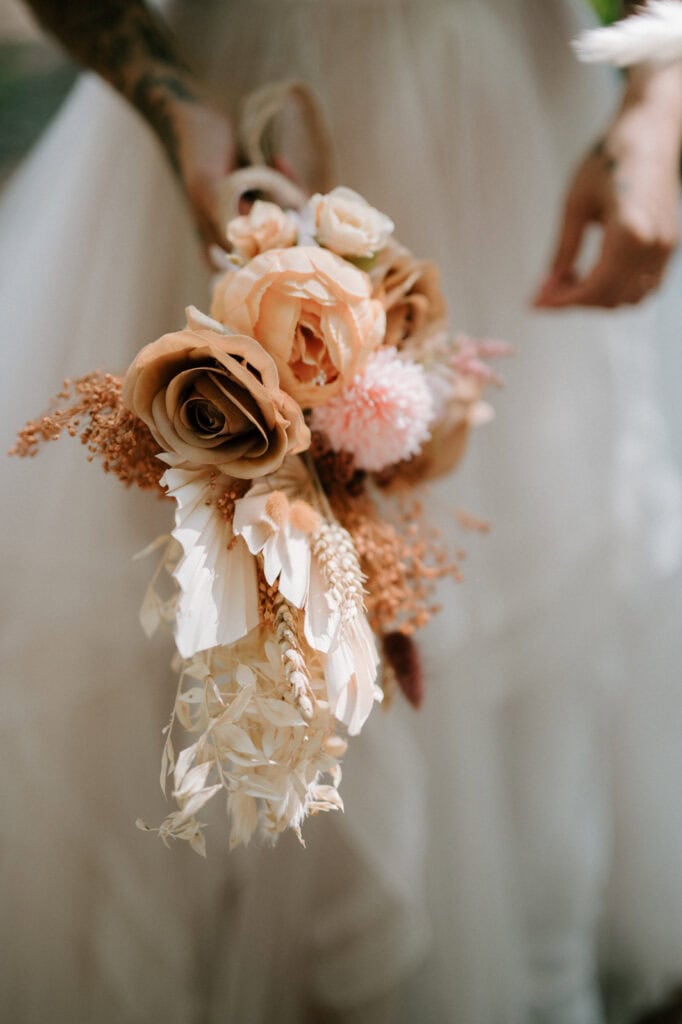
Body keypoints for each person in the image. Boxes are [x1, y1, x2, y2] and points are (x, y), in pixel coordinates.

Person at [2, 1, 682, 1021]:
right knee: (228, 632)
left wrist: (658, 94)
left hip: (512, 153)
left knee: (519, 635)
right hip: (243, 150)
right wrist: (178, 108)